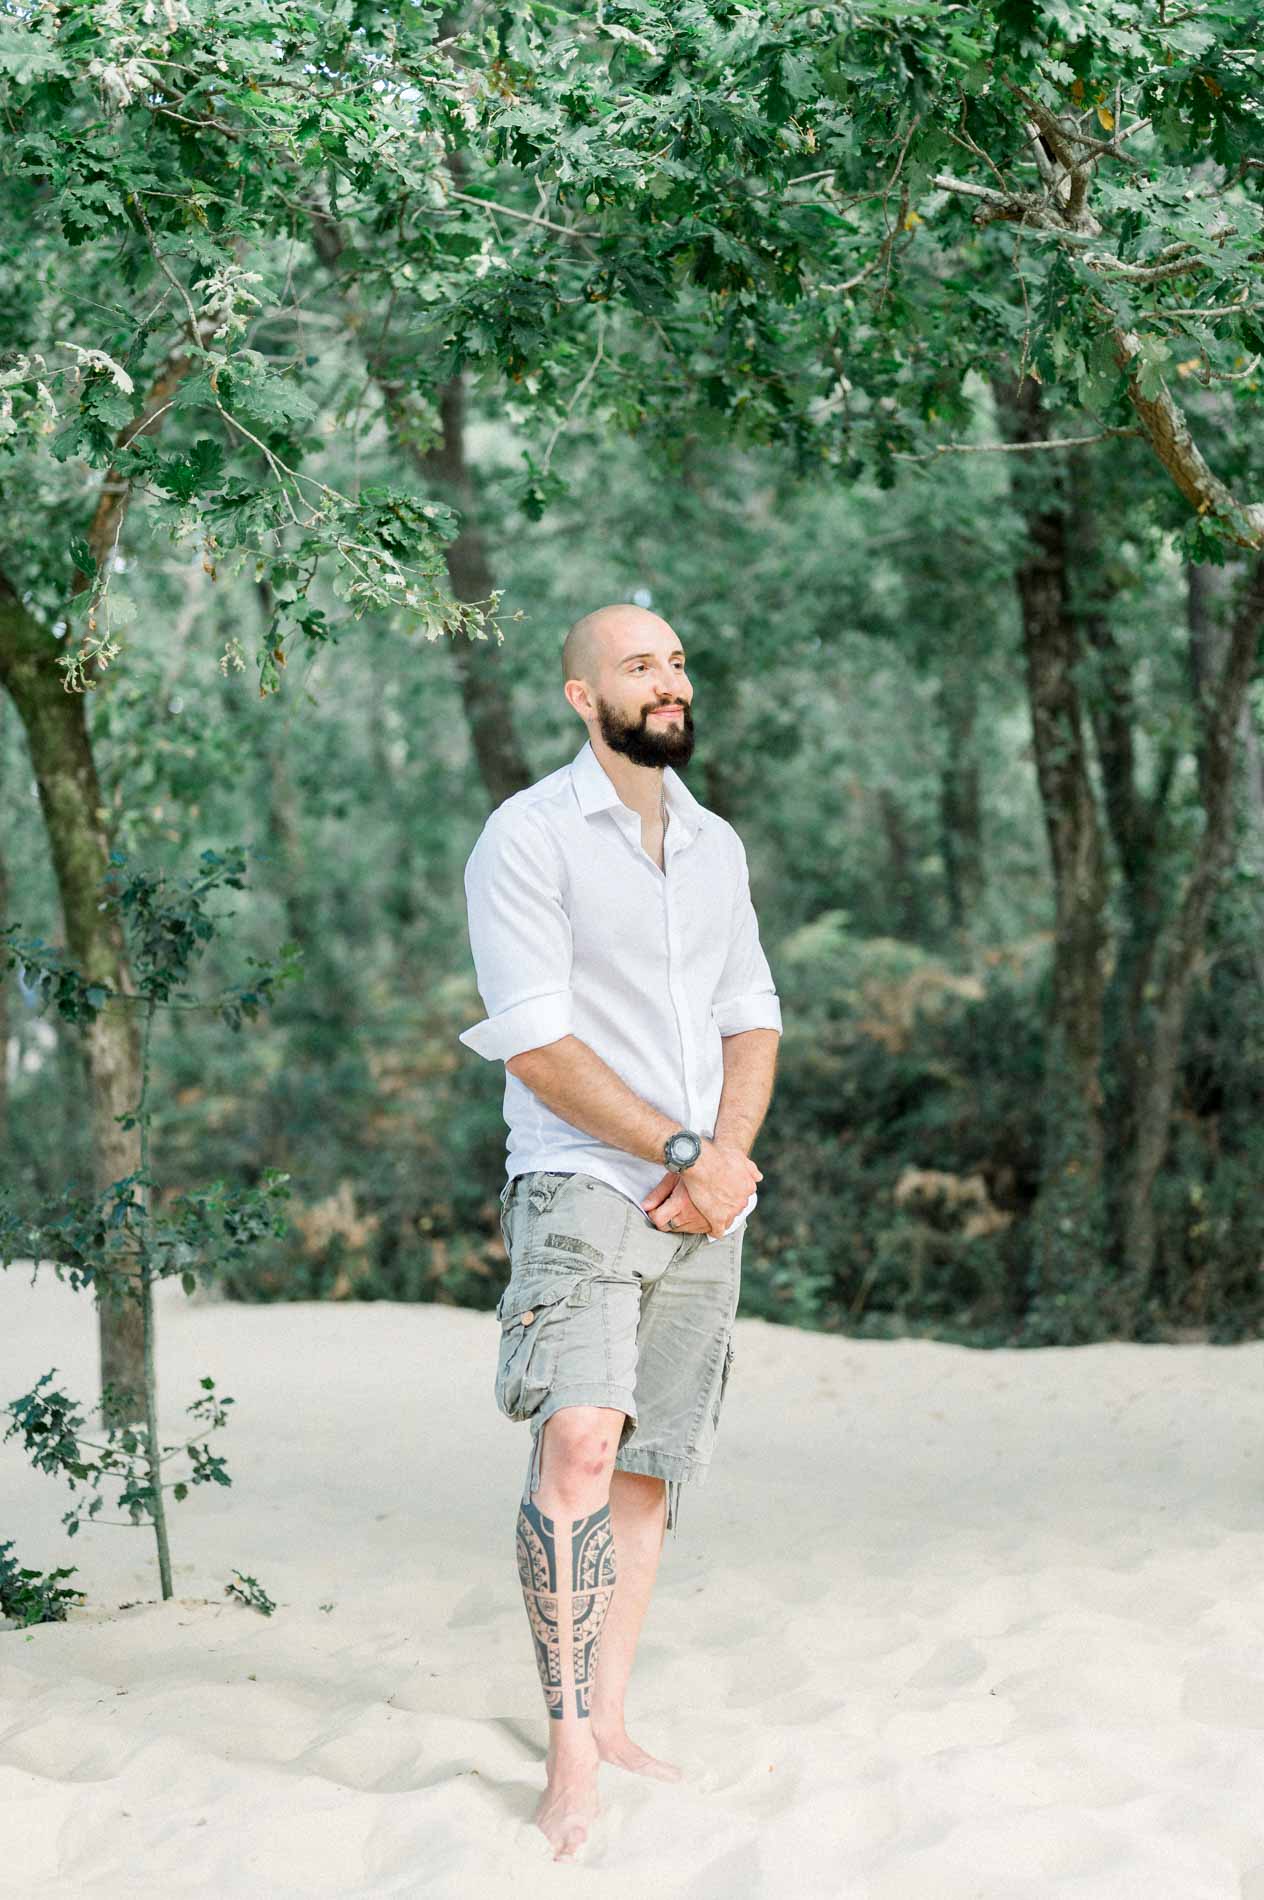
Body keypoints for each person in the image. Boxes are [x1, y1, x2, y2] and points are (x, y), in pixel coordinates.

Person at [458, 603, 781, 1861]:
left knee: (651, 1466)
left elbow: (749, 1017)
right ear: (581, 697)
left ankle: (613, 1713)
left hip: (708, 1194)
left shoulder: (712, 845)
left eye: (678, 662)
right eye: (638, 665)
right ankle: (569, 1755)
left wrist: (725, 1164)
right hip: (583, 1180)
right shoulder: (526, 836)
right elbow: (537, 1039)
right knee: (581, 1446)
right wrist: (683, 1153)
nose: (669, 682)